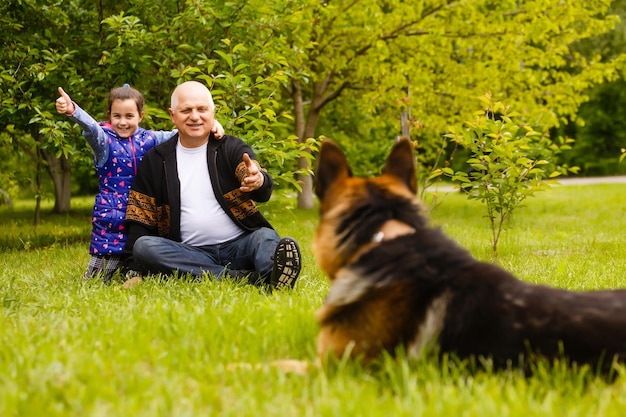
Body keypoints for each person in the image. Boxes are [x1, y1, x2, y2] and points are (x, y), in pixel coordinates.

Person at [123, 80, 302, 290]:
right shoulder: (156, 160)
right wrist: (134, 271)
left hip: (241, 244)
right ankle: (249, 278)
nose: (195, 116)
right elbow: (140, 218)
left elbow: (258, 183)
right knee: (145, 247)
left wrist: (258, 179)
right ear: (172, 115)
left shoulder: (230, 147)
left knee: (264, 237)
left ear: (212, 112)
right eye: (186, 110)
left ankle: (273, 274)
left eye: (202, 109)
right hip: (190, 253)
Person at [55, 85, 225, 283]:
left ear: (140, 115)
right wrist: (73, 110)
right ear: (109, 115)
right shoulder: (104, 142)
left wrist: (213, 124)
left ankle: (135, 274)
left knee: (140, 250)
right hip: (112, 212)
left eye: (129, 116)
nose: (123, 122)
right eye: (117, 116)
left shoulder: (149, 139)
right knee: (101, 270)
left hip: (143, 210)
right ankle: (99, 275)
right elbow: (91, 128)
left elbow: (178, 133)